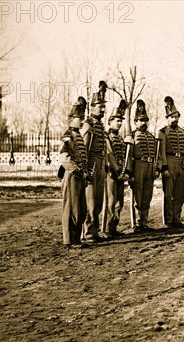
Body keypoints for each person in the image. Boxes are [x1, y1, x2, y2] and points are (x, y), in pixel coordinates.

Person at [80, 81, 108, 243]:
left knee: (98, 200)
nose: (102, 109)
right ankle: (88, 233)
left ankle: (95, 232)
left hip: (100, 163)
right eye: (99, 106)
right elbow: (83, 148)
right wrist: (85, 168)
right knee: (90, 200)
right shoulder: (88, 124)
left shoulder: (99, 125)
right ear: (92, 108)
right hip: (91, 163)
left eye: (104, 106)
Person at [126, 99, 159, 232]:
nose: (144, 123)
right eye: (141, 120)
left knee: (147, 196)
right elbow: (128, 155)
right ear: (135, 122)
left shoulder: (151, 137)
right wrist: (129, 172)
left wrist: (157, 168)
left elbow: (157, 155)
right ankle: (136, 224)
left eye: (145, 120)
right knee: (137, 196)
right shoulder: (132, 136)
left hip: (150, 166)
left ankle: (143, 222)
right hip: (138, 166)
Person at [158, 96, 184, 228]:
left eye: (176, 117)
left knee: (180, 194)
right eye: (172, 117)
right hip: (169, 161)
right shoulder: (162, 132)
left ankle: (177, 218)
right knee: (169, 194)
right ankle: (169, 220)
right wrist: (164, 167)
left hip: (180, 163)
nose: (174, 119)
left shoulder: (183, 132)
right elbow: (161, 151)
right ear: (167, 118)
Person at [60, 97, 88, 247]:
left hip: (80, 176)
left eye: (83, 117)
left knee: (80, 209)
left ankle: (76, 238)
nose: (82, 121)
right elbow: (64, 158)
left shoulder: (78, 136)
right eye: (79, 118)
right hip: (72, 176)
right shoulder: (68, 136)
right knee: (71, 208)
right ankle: (69, 240)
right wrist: (76, 170)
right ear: (71, 119)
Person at [102, 99, 129, 238]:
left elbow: (123, 155)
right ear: (110, 121)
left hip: (120, 172)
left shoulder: (120, 138)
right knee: (110, 202)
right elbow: (109, 155)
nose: (119, 123)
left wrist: (124, 171)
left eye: (120, 121)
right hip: (112, 173)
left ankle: (113, 228)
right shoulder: (107, 137)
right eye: (117, 120)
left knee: (119, 202)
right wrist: (116, 170)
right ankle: (106, 229)